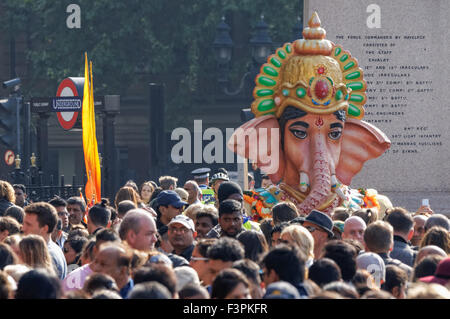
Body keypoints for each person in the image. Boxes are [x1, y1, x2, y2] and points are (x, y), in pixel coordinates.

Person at [62, 228, 120, 292]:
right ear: (95, 249)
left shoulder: (118, 277)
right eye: (104, 249)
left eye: (113, 250)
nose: (108, 254)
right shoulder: (73, 279)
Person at [22, 202, 67, 280]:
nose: (23, 228)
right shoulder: (49, 249)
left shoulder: (48, 255)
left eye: (28, 224)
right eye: (24, 223)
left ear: (44, 229)